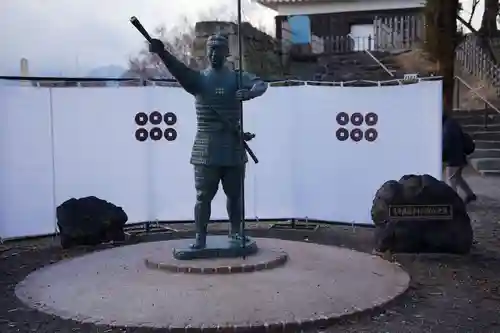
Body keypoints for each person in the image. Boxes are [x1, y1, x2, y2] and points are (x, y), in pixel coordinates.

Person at [148, 34, 268, 249]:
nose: (214, 54)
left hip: (232, 145)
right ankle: (200, 237)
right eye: (211, 50)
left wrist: (249, 94)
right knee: (203, 196)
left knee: (235, 195)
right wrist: (162, 53)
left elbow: (261, 84)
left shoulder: (236, 78)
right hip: (206, 146)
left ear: (226, 54)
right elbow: (178, 69)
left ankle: (236, 233)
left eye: (218, 50)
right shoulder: (199, 80)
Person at [442, 113, 477, 204]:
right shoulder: (452, 123)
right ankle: (470, 194)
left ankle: (454, 201)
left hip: (453, 158)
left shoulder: (446, 127)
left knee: (450, 179)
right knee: (457, 177)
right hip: (460, 156)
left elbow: (446, 144)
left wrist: (443, 155)